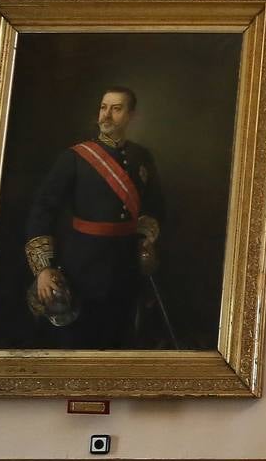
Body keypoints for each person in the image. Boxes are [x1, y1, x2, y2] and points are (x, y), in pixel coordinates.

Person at [23, 86, 165, 348]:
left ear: (131, 115)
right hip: (82, 266)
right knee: (80, 340)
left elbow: (154, 205)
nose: (106, 115)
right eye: (103, 107)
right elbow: (43, 210)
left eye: (116, 108)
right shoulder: (75, 157)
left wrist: (146, 239)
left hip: (126, 266)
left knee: (120, 336)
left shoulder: (141, 157)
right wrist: (43, 268)